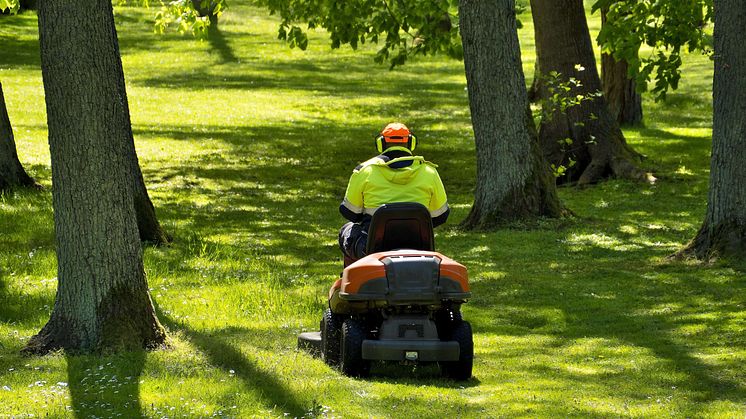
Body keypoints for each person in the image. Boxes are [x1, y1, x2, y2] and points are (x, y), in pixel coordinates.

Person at [338, 122, 449, 262]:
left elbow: (350, 213)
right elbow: (440, 216)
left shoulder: (364, 171)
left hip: (372, 250)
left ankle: (352, 281)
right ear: (411, 143)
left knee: (347, 230)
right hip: (420, 247)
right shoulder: (429, 171)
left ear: (381, 144)